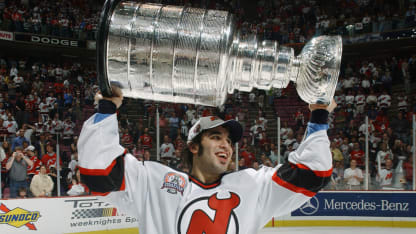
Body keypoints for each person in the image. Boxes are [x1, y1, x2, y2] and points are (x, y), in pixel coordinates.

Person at [78, 86, 335, 233]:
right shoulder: (152, 181)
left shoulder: (253, 185)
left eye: (229, 141)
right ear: (192, 146)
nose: (226, 145)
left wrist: (319, 116)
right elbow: (98, 172)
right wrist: (107, 109)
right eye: (215, 137)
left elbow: (312, 173)